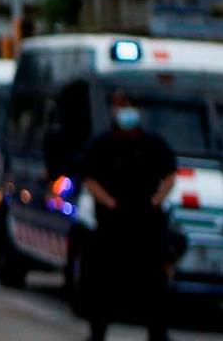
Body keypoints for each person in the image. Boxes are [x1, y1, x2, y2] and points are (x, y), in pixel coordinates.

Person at [78, 90, 178, 341]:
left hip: (146, 223)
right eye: (120, 106)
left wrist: (156, 200)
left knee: (154, 282)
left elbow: (170, 174)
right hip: (112, 223)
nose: (125, 111)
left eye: (129, 106)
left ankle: (158, 332)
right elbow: (88, 178)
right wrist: (109, 202)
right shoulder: (103, 143)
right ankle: (98, 331)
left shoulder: (152, 143)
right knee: (104, 281)